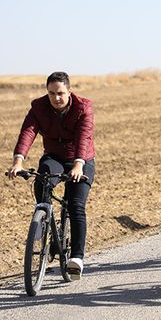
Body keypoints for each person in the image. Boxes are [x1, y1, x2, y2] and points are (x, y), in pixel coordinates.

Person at [8, 71, 96, 280]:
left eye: (60, 93)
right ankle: (42, 223)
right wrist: (18, 161)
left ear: (69, 91)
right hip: (54, 157)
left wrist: (78, 165)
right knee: (42, 180)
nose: (56, 98)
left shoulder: (83, 107)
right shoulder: (39, 107)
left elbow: (84, 137)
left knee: (75, 205)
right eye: (51, 93)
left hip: (81, 160)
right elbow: (27, 133)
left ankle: (76, 258)